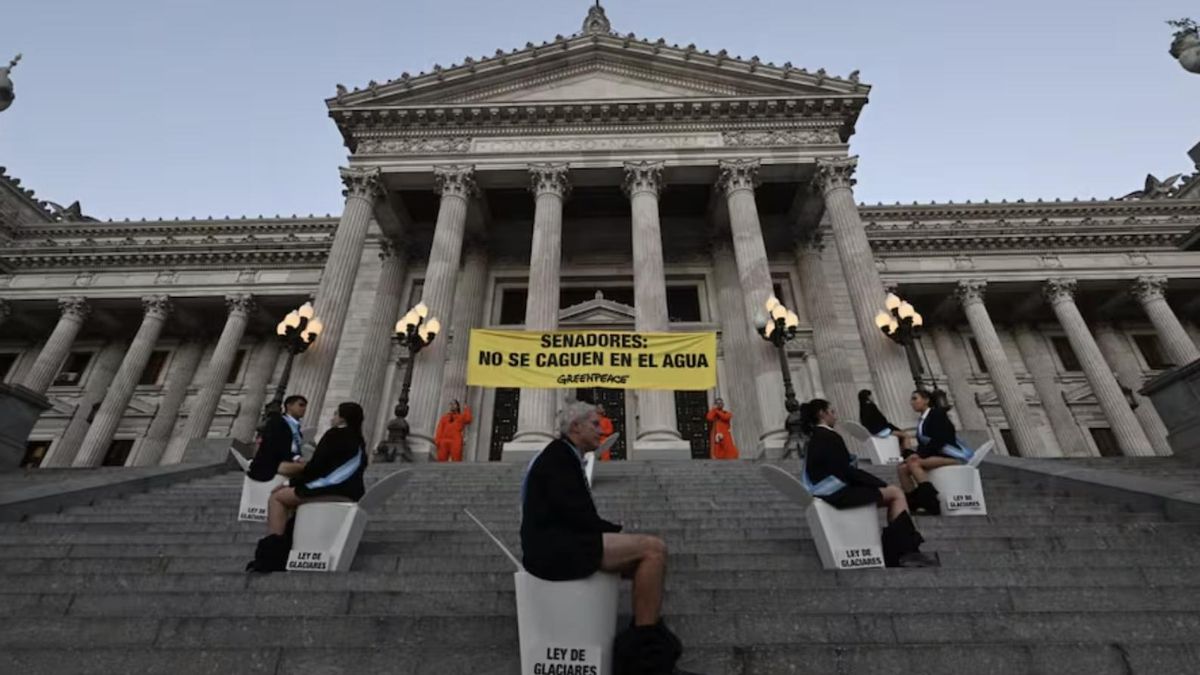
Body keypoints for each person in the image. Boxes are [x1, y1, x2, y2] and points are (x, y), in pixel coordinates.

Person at [521, 401, 691, 674]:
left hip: (559, 542)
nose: (602, 431)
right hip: (555, 547)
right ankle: (646, 655)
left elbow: (574, 513)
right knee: (652, 549)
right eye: (595, 424)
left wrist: (614, 533)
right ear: (576, 427)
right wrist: (617, 532)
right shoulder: (558, 457)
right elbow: (575, 513)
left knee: (643, 558)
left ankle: (645, 645)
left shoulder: (564, 455)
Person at [799, 398, 938, 568]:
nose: (835, 416)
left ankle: (899, 550)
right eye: (832, 412)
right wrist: (878, 483)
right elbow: (845, 471)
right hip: (837, 493)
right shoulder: (829, 436)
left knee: (891, 492)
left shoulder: (816, 437)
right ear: (822, 413)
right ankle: (905, 552)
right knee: (896, 493)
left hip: (828, 491)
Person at [246, 401, 369, 573]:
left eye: (335, 414)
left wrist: (288, 482)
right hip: (351, 493)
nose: (332, 418)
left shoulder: (334, 434)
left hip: (328, 490)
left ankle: (272, 556)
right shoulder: (359, 440)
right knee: (293, 500)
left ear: (342, 418)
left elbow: (316, 468)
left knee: (277, 498)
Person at [897, 389, 975, 515]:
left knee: (914, 463)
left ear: (926, 400)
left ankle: (930, 503)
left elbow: (940, 439)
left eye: (915, 398)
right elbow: (925, 444)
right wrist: (913, 454)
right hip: (935, 455)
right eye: (911, 399)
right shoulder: (922, 420)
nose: (911, 402)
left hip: (951, 455)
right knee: (902, 469)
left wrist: (919, 455)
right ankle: (914, 504)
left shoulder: (937, 414)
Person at [247, 395, 307, 482]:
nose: (304, 409)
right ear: (289, 406)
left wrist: (298, 457)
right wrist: (295, 458)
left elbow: (293, 447)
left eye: (305, 406)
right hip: (274, 464)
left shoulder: (297, 428)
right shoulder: (278, 422)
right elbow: (274, 445)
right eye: (301, 405)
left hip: (287, 462)